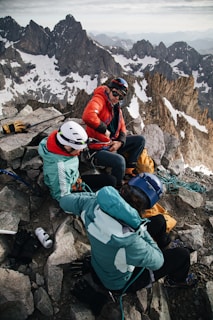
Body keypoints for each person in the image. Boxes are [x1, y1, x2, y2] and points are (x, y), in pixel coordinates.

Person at [60, 172, 196, 296]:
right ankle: (177, 280)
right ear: (146, 207)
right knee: (182, 255)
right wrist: (139, 228)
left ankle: (165, 244)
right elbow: (158, 262)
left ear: (125, 188)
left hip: (102, 259)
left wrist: (98, 198)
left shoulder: (92, 204)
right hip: (118, 283)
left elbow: (65, 202)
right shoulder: (130, 241)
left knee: (159, 221)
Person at [82, 77, 145, 187]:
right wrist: (103, 129)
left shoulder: (115, 106)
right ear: (107, 89)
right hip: (96, 149)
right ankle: (117, 187)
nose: (117, 98)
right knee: (120, 161)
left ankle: (128, 171)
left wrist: (120, 142)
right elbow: (88, 116)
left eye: (120, 96)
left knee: (140, 140)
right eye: (115, 93)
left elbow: (122, 126)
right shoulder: (99, 99)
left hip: (110, 144)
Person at [38, 120, 116, 202]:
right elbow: (63, 197)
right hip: (71, 191)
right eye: (78, 148)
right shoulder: (60, 169)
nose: (81, 150)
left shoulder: (57, 140)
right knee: (106, 196)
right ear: (67, 147)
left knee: (111, 180)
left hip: (75, 180)